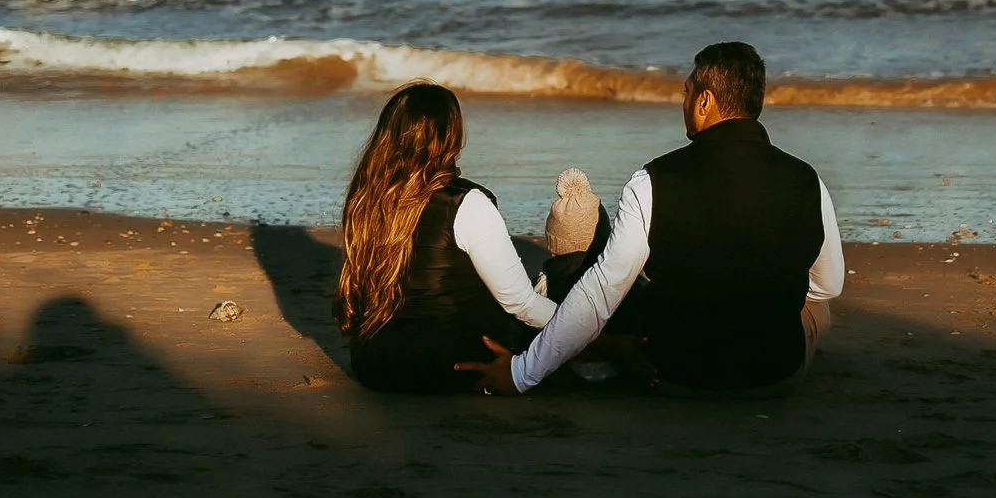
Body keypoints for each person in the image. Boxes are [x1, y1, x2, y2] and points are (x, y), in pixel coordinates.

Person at [460, 42, 844, 397]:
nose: (685, 100)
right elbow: (828, 285)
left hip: (676, 375)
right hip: (773, 378)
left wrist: (521, 373)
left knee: (624, 287)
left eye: (687, 91)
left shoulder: (653, 181)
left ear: (705, 101)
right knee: (815, 307)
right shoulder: (808, 179)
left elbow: (600, 293)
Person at [334, 82, 557, 393]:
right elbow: (521, 304)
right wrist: (589, 331)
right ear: (452, 136)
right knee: (560, 284)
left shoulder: (365, 199)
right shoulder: (465, 202)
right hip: (458, 364)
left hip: (375, 366)